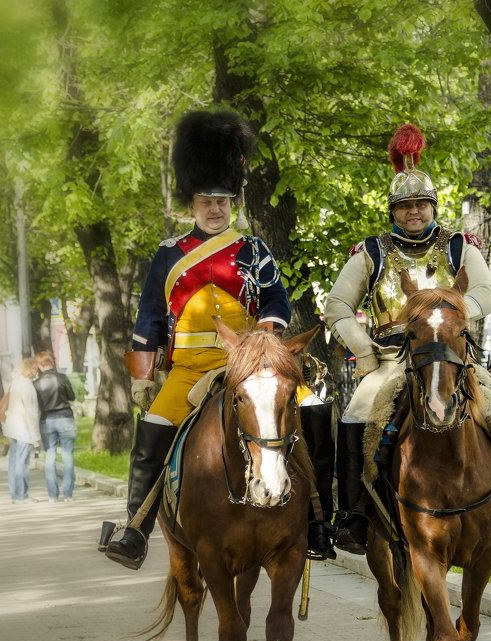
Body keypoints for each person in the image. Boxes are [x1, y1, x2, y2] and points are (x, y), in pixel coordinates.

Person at [98, 109, 337, 570]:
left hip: (247, 366)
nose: (215, 208)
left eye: (224, 200)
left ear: (234, 203)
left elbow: (276, 303)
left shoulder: (255, 250)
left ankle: (321, 519)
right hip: (187, 368)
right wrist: (142, 379)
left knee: (312, 408)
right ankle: (136, 528)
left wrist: (264, 344)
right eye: (207, 199)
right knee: (155, 426)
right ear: (192, 201)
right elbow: (148, 319)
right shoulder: (168, 255)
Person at [323, 124, 491, 555]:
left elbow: (484, 293)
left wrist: (450, 317)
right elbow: (337, 304)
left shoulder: (458, 247)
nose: (414, 212)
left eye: (421, 205)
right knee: (357, 414)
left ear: (433, 207)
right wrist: (365, 353)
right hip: (394, 358)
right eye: (405, 206)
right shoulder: (370, 252)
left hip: (452, 355)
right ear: (393, 211)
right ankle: (355, 513)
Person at [33, 350, 76, 502]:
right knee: (68, 456)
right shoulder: (62, 378)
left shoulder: (36, 384)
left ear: (39, 365)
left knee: (50, 457)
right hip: (65, 417)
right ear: (51, 361)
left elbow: (36, 405)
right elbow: (72, 396)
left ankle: (52, 495)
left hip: (47, 420)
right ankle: (68, 495)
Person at [3, 358, 41, 504]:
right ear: (31, 369)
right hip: (23, 430)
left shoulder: (16, 383)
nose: (36, 372)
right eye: (35, 369)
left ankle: (14, 495)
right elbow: (31, 414)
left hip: (12, 428)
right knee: (22, 464)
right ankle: (22, 495)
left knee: (13, 463)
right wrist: (35, 436)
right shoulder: (28, 387)